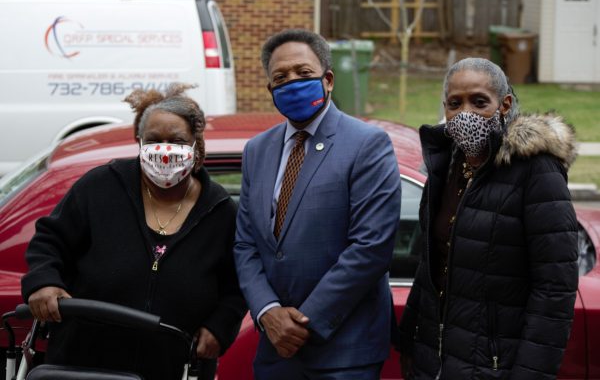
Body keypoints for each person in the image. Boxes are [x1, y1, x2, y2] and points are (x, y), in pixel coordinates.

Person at [21, 84, 247, 380]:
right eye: (154, 140)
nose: (164, 150)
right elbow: (49, 241)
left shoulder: (221, 211)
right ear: (139, 142)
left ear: (196, 145)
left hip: (174, 367)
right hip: (84, 363)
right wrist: (43, 282)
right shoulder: (100, 187)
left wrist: (220, 327)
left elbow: (236, 284)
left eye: (177, 141)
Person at [233, 28, 402, 380]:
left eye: (303, 73)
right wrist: (267, 311)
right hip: (276, 351)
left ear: (328, 80)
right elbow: (246, 244)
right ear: (270, 89)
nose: (292, 82)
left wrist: (303, 322)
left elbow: (371, 247)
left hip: (344, 352)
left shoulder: (367, 144)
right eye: (281, 77)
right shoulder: (257, 150)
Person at [396, 57, 579, 379]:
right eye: (455, 104)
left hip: (493, 366)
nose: (465, 113)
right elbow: (430, 266)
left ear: (504, 105)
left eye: (479, 102)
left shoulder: (536, 170)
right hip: (434, 361)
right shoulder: (446, 167)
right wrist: (409, 343)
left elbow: (554, 288)